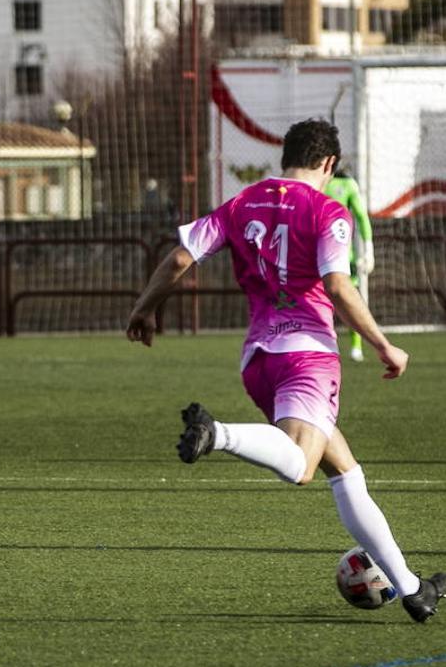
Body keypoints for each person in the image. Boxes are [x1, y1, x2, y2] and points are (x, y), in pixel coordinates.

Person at [126, 119, 445, 623]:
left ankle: (412, 588)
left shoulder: (241, 203)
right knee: (300, 465)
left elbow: (181, 258)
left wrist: (145, 308)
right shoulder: (327, 210)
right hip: (308, 356)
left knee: (345, 470)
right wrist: (385, 345)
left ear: (286, 157)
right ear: (329, 164)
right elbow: (339, 287)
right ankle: (219, 434)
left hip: (258, 361)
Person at [325, 168, 375, 362]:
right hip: (316, 256)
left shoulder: (347, 184)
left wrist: (369, 249)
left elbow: (362, 217)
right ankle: (326, 344)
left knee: (348, 301)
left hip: (343, 257)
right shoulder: (314, 183)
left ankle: (356, 346)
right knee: (321, 303)